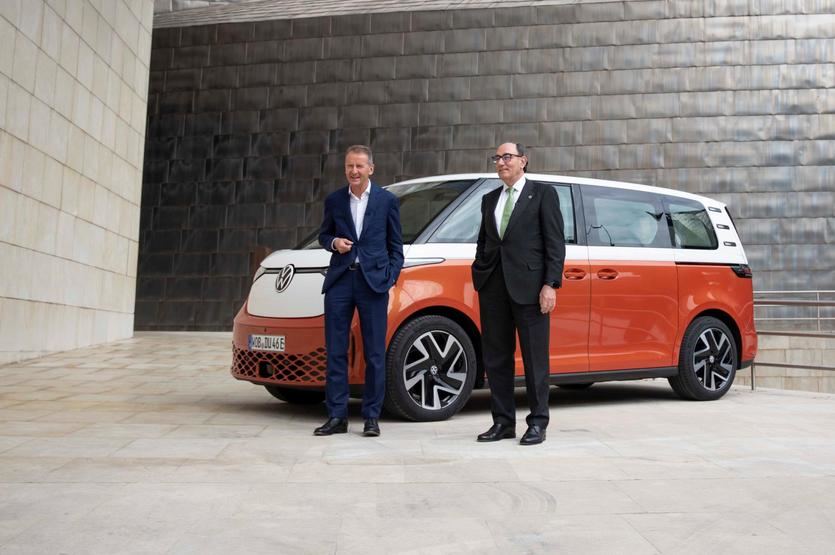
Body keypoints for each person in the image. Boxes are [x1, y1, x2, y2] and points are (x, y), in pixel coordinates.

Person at [471, 143, 565, 445]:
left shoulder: (543, 194)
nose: (501, 162)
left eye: (507, 157)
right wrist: (480, 272)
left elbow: (555, 243)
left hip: (531, 289)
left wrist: (550, 284)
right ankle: (502, 422)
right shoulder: (489, 200)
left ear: (523, 160)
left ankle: (538, 422)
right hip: (494, 290)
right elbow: (485, 242)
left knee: (535, 358)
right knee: (497, 358)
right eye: (497, 158)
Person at [314, 145, 404, 437]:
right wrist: (333, 244)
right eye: (350, 166)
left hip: (373, 283)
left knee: (375, 353)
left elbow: (396, 248)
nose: (354, 171)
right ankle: (337, 416)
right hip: (341, 281)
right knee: (336, 351)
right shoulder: (335, 200)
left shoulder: (387, 201)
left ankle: (371, 417)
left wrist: (389, 278)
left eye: (359, 166)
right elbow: (323, 235)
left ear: (370, 169)